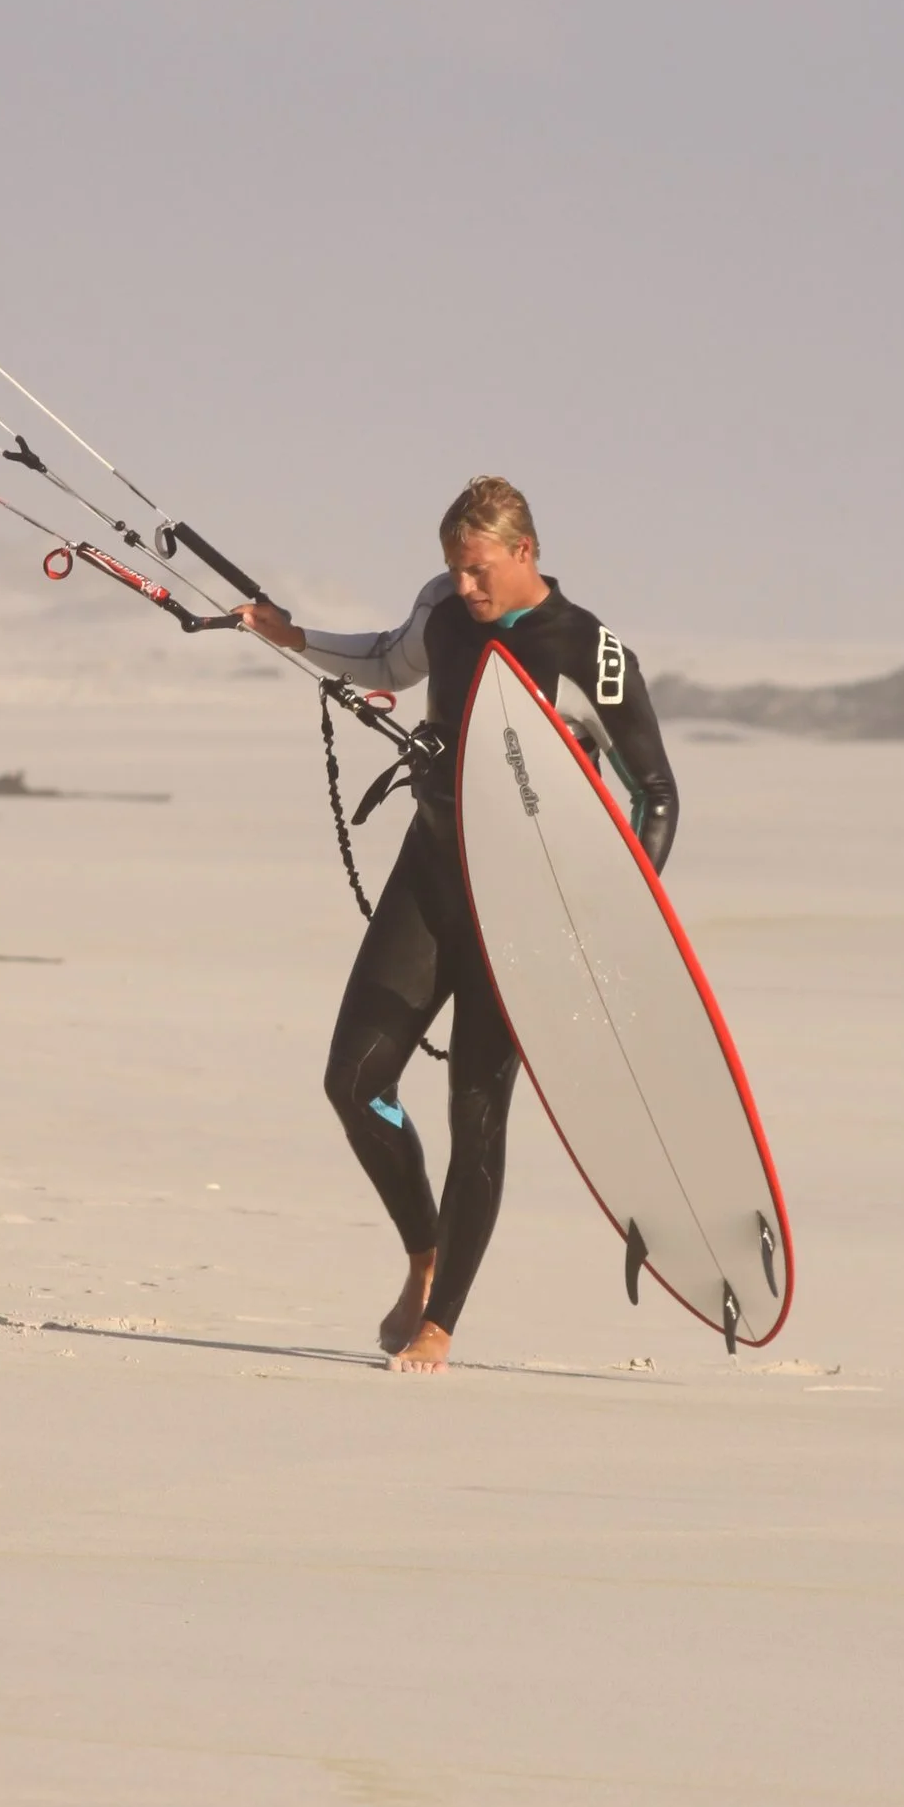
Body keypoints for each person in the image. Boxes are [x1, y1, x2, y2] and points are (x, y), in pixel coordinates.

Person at [240, 476, 678, 1373]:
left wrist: (616, 913)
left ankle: (441, 1322)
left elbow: (657, 796)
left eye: (479, 570)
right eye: (454, 570)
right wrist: (296, 638)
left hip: (524, 909)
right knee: (354, 1081)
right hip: (433, 873)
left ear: (525, 553)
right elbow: (387, 662)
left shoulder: (590, 653)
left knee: (476, 1113)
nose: (465, 588)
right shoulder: (442, 608)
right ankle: (423, 1249)